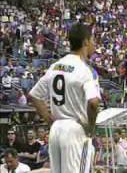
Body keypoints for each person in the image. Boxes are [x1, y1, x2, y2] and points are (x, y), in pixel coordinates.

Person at [29, 23, 100, 173]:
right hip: (75, 129)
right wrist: (91, 128)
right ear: (85, 42)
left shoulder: (55, 66)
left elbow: (34, 95)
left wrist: (49, 119)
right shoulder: (85, 70)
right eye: (93, 39)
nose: (94, 44)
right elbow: (93, 103)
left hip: (56, 129)